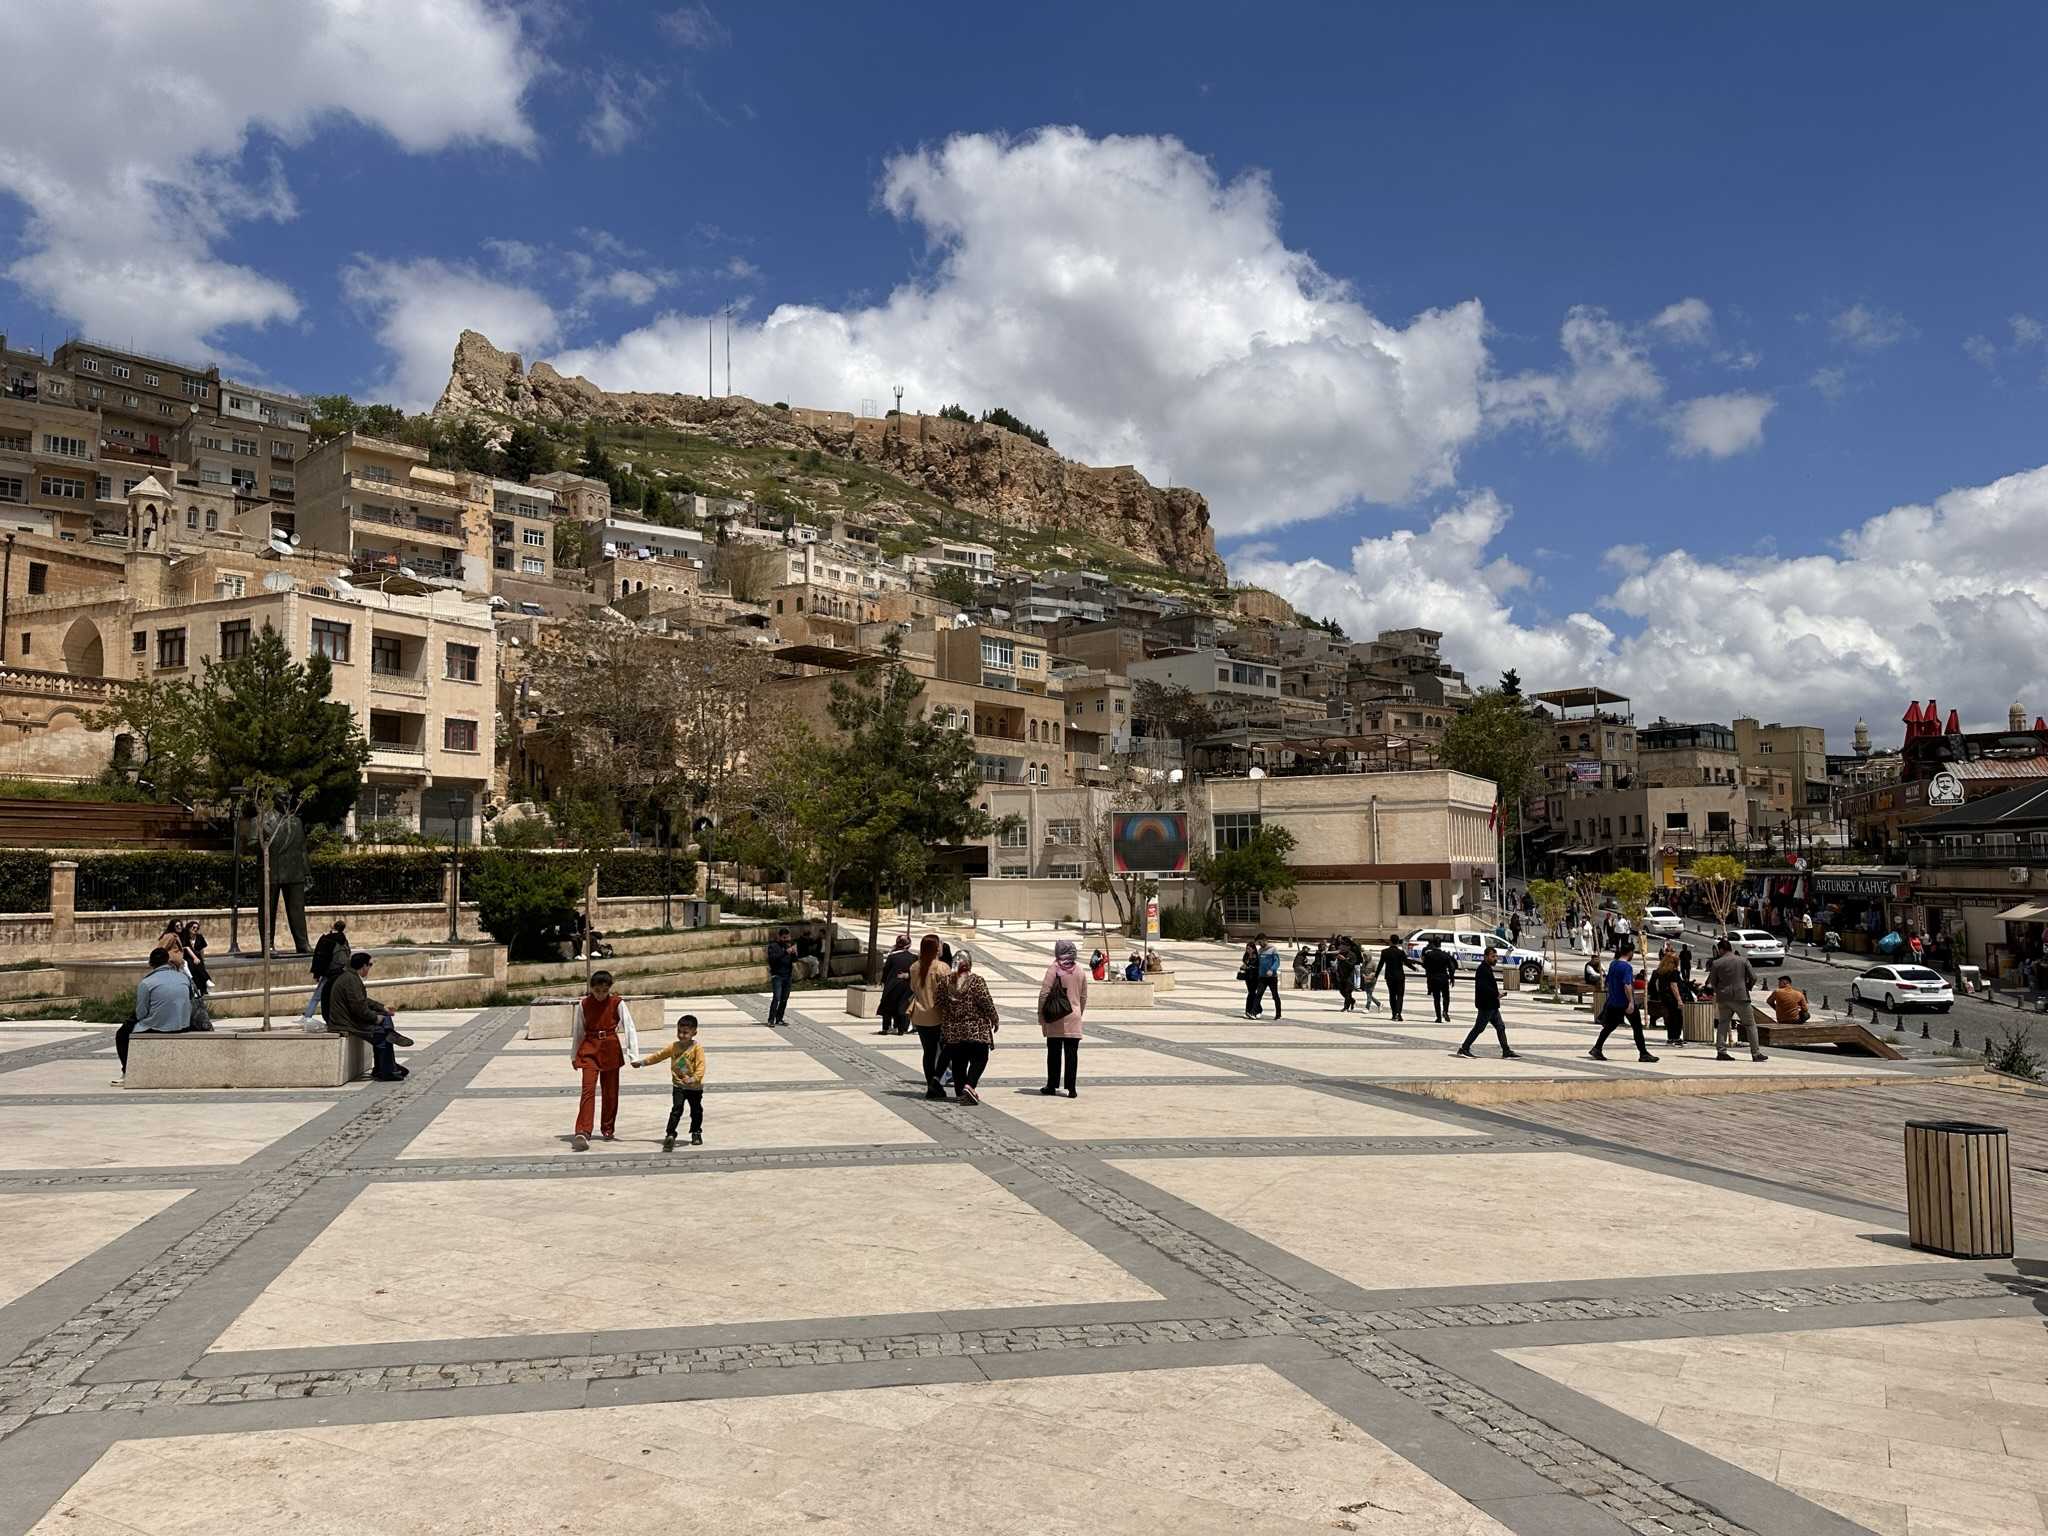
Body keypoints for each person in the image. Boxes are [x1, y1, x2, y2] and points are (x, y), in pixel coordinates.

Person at [568, 969, 641, 1151]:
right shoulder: (584, 1004)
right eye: (597, 991)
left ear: (609, 989)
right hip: (589, 1048)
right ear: (591, 988)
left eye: (604, 991)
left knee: (610, 1091)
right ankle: (583, 1130)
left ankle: (607, 1127)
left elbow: (629, 1027)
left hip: (610, 1047)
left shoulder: (617, 1002)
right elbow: (578, 1030)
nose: (600, 995)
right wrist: (574, 1055)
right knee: (588, 1090)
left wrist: (634, 1055)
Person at [113, 943, 198, 1081]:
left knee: (122, 1034)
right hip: (183, 1024)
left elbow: (141, 1014)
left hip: (159, 1026)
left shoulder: (146, 983)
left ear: (150, 963)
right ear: (168, 961)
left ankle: (127, 1072)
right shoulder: (183, 977)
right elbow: (190, 1000)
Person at [324, 952, 411, 1080]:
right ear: (363, 966)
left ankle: (385, 1066)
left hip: (348, 1019)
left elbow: (364, 1000)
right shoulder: (351, 980)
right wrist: (375, 1018)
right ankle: (387, 1070)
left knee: (385, 1019)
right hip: (345, 1022)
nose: (370, 968)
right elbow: (359, 1008)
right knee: (381, 1035)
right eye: (369, 965)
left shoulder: (351, 977)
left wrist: (382, 1008)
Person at [635, 1012, 705, 1149]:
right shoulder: (674, 1047)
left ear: (694, 1033)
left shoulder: (697, 1049)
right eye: (679, 1031)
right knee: (676, 1110)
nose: (681, 1035)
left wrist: (694, 1079)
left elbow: (701, 1066)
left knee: (696, 1111)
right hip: (678, 1086)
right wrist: (642, 1063)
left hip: (694, 1087)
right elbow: (658, 1056)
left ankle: (696, 1132)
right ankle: (670, 1134)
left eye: (685, 1032)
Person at [939, 948, 1000, 1105]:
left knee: (959, 1062)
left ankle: (962, 1092)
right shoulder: (977, 981)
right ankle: (969, 1086)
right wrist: (994, 1018)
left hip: (954, 1030)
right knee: (980, 1058)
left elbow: (939, 1002)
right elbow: (986, 1002)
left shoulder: (945, 982)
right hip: (976, 1029)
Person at [1590, 943, 1658, 1063]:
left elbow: (1608, 982)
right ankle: (1643, 1053)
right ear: (1630, 952)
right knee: (1637, 1027)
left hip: (1613, 1001)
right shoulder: (1626, 967)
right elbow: (1627, 985)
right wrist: (1631, 1002)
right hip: (1624, 1002)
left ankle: (1597, 1048)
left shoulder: (1613, 964)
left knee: (1610, 1026)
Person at [1704, 937, 1767, 1063]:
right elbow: (1753, 977)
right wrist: (1747, 987)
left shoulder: (1717, 963)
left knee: (1723, 1024)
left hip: (1723, 997)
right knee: (1750, 1025)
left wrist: (1718, 990)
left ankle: (1721, 1051)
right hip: (1741, 997)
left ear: (1721, 949)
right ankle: (1756, 1053)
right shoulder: (1743, 961)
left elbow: (1712, 982)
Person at [1039, 937, 1086, 1098]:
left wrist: (1041, 1016)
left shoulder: (1054, 969)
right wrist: (1078, 1012)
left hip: (1055, 1017)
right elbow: (1084, 996)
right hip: (1074, 1017)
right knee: (1072, 1055)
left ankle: (1052, 1085)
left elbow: (1044, 994)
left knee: (1054, 1053)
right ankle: (1071, 1088)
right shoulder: (1079, 970)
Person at [1455, 944, 1519, 1059]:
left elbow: (1489, 987)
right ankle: (1464, 1048)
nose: (1495, 959)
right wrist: (1497, 994)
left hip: (1493, 1006)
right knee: (1479, 1028)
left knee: (1500, 1027)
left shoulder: (1487, 969)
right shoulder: (1482, 970)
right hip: (1486, 1006)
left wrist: (1497, 994)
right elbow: (1483, 987)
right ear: (1485, 957)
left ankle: (1506, 1050)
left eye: (1496, 956)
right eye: (1493, 956)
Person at [908, 934, 949, 1101]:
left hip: (920, 1015)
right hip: (938, 1015)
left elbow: (912, 988)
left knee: (929, 1052)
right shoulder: (942, 967)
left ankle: (931, 1085)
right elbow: (948, 991)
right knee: (947, 1050)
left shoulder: (914, 967)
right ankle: (936, 1080)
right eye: (939, 945)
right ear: (935, 948)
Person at [304, 918, 350, 1022]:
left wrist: (316, 974)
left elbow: (320, 958)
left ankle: (307, 1016)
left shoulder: (327, 939)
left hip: (329, 973)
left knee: (317, 996)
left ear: (333, 926)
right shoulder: (344, 941)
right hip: (341, 972)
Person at [877, 933, 915, 1036]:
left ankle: (886, 1028)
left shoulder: (892, 957)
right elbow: (917, 971)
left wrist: (883, 981)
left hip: (892, 985)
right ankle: (901, 1028)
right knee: (902, 1006)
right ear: (909, 945)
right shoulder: (913, 957)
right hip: (907, 986)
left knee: (888, 1006)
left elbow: (886, 971)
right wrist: (908, 976)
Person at [1647, 949, 1686, 1045]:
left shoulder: (1661, 972)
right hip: (1672, 998)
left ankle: (1671, 1037)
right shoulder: (1673, 972)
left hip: (1665, 997)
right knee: (1677, 1018)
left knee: (1671, 1017)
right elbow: (1674, 986)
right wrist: (1679, 1000)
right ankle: (1675, 1037)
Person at [764, 927, 795, 1026]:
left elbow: (794, 960)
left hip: (788, 975)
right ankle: (771, 1019)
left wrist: (794, 953)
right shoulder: (773, 946)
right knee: (776, 997)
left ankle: (779, 1018)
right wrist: (785, 952)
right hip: (777, 976)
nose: (786, 940)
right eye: (784, 937)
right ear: (779, 937)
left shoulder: (789, 946)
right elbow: (772, 959)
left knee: (784, 998)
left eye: (788, 937)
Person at [1421, 936, 1455, 1023]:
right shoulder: (1445, 955)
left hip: (1434, 978)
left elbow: (1425, 965)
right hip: (1444, 977)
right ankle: (1445, 1011)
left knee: (1436, 998)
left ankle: (1438, 1017)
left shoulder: (1429, 955)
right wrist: (1452, 978)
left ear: (1433, 944)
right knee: (1446, 996)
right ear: (1440, 944)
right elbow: (1451, 967)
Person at [1378, 934, 1410, 1021]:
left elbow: (1380, 965)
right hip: (1399, 976)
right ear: (1398, 941)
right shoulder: (1401, 952)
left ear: (1390, 941)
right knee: (1400, 995)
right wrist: (1414, 968)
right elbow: (1406, 962)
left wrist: (1376, 975)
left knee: (1392, 995)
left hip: (1389, 977)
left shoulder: (1384, 952)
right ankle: (1398, 1014)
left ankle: (1393, 1014)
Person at [1255, 935, 1283, 1019]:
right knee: (1258, 994)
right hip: (1262, 977)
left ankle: (1278, 1014)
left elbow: (1277, 962)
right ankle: (1256, 1012)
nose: (1259, 944)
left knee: (1275, 995)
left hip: (1272, 977)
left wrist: (1272, 969)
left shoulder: (1273, 949)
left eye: (1260, 942)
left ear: (1264, 940)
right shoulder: (1260, 950)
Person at [1239, 940, 1264, 1018]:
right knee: (1251, 993)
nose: (1248, 950)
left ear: (1253, 949)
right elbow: (1244, 964)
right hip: (1248, 977)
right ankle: (1252, 1010)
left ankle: (1253, 1010)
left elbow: (1259, 967)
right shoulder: (1246, 956)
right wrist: (1244, 966)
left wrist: (1251, 967)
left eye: (1249, 949)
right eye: (1247, 949)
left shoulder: (1257, 957)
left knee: (1252, 994)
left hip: (1255, 977)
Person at [1334, 938, 1357, 1012]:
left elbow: (1352, 965)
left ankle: (1346, 1007)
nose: (1341, 947)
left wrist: (1344, 959)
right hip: (1341, 976)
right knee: (1342, 991)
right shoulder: (1341, 954)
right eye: (1341, 945)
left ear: (1348, 947)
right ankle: (1352, 1001)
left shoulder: (1352, 955)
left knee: (1347, 992)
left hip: (1349, 977)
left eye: (1343, 946)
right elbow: (1339, 965)